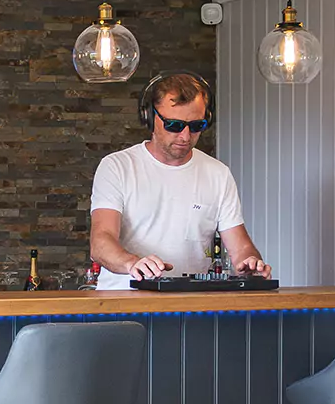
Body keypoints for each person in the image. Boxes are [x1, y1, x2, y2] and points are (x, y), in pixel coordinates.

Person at [89, 72, 271, 289]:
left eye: (196, 126)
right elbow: (101, 242)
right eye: (174, 125)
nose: (185, 136)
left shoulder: (218, 174)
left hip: (190, 308)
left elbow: (240, 249)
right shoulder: (117, 167)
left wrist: (250, 264)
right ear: (149, 117)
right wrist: (133, 263)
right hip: (122, 304)